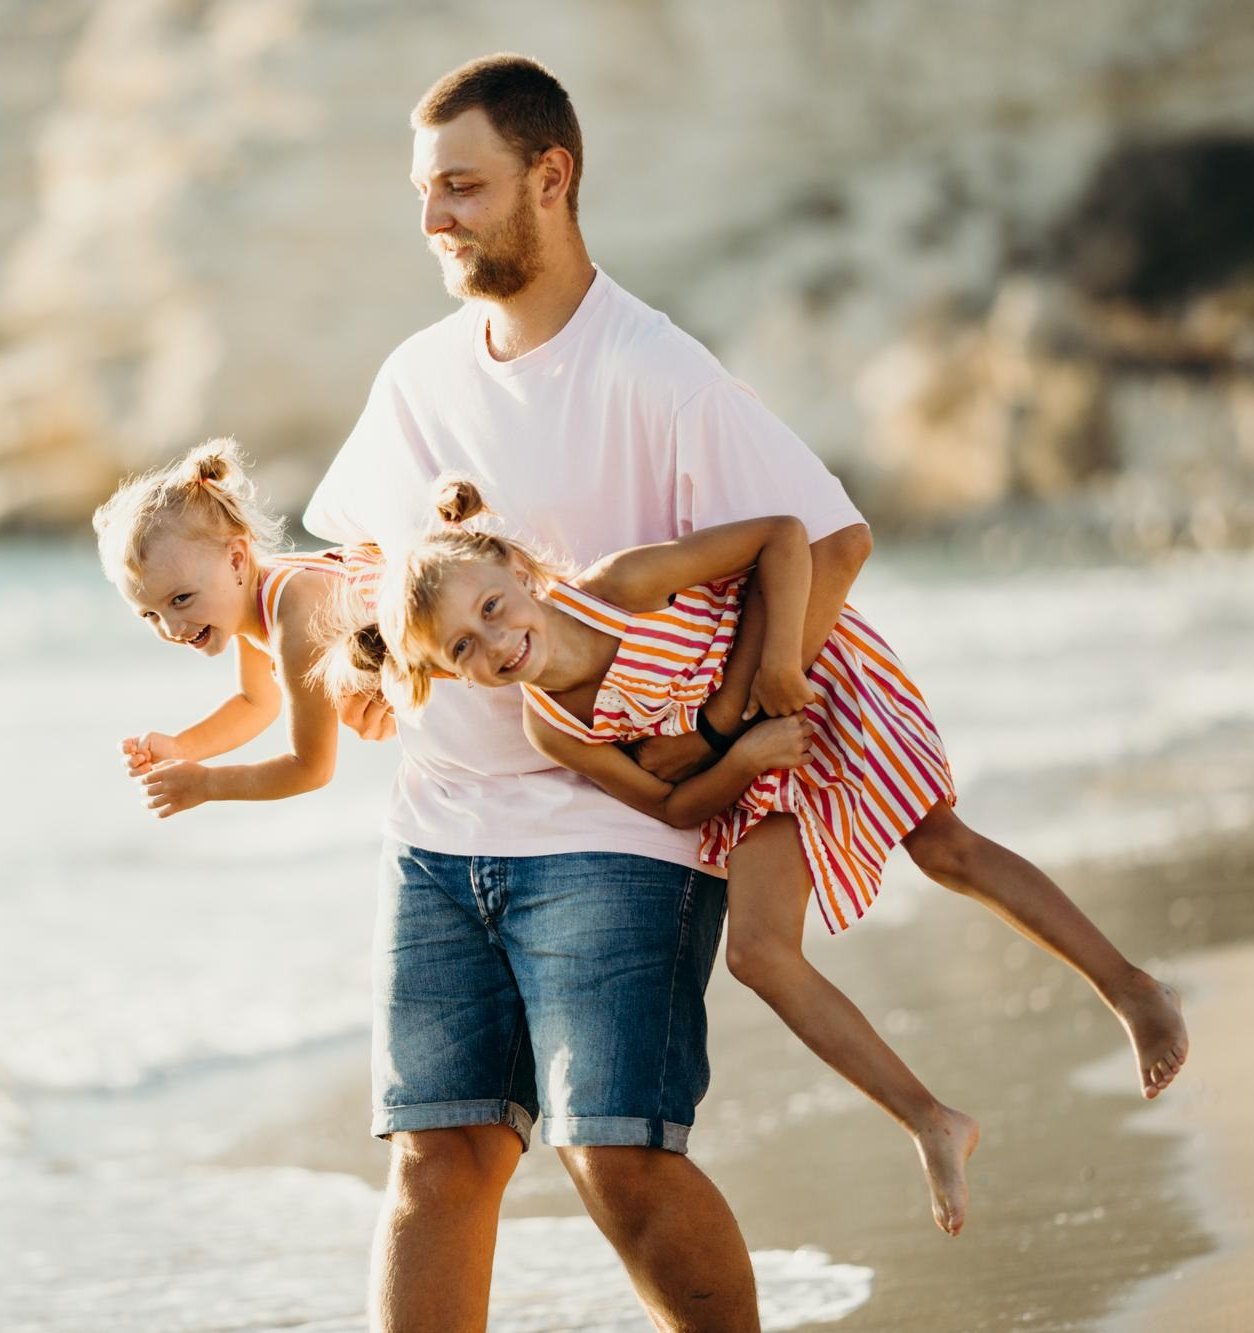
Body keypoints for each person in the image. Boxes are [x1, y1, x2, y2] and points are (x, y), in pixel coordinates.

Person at [301, 53, 884, 1332]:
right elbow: (365, 559)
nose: (432, 218)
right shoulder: (416, 377)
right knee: (435, 1159)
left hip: (617, 829)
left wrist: (722, 721)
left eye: (461, 186)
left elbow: (826, 540)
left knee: (617, 1156)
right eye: (423, 190)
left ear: (548, 179)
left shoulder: (653, 366)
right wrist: (356, 656)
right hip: (441, 833)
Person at [328, 476, 1190, 1236]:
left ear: (518, 570)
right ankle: (930, 1120)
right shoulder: (553, 723)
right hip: (749, 767)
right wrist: (738, 756)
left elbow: (784, 535)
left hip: (810, 678)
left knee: (943, 846)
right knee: (758, 954)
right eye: (463, 652)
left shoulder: (619, 587)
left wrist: (773, 671)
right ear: (448, 677)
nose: (495, 643)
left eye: (490, 608)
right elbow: (669, 804)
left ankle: (1132, 988)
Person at [91, 438, 380, 817]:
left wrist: (206, 785)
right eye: (150, 615)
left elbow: (313, 768)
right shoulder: (250, 601)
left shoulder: (295, 616)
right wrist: (181, 748)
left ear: (236, 559)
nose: (172, 628)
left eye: (181, 599)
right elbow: (257, 703)